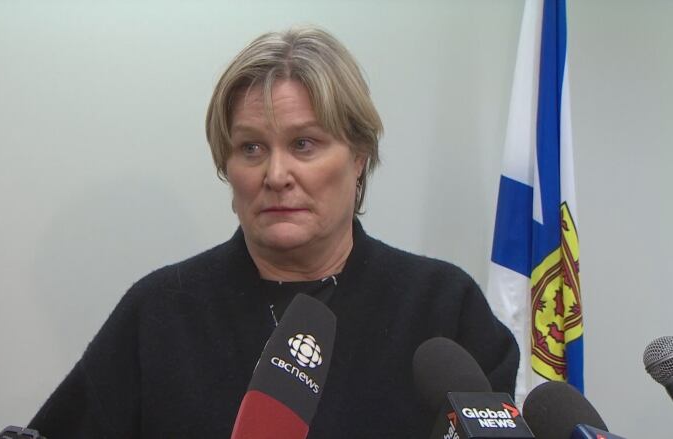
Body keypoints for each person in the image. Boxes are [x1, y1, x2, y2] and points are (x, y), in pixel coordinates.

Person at [27, 26, 518, 438]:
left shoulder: (443, 308)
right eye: (252, 149)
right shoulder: (160, 311)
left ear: (359, 156)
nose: (276, 174)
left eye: (303, 144)